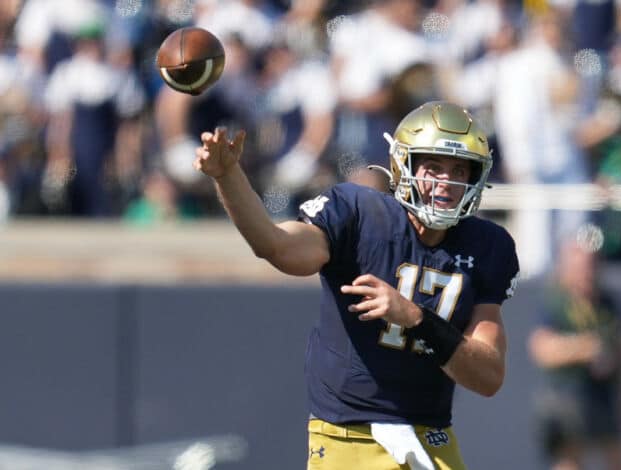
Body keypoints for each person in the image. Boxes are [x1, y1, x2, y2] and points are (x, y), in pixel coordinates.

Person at [193, 101, 520, 470]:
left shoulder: (488, 245)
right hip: (348, 435)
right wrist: (228, 177)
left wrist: (416, 318)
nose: (447, 182)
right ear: (404, 165)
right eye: (434, 167)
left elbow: (488, 376)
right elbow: (276, 246)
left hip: (432, 436)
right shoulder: (360, 213)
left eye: (459, 170)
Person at [527, 240, 621, 470]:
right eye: (581, 266)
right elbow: (541, 349)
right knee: (569, 459)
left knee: (619, 457)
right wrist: (584, 348)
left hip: (601, 395)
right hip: (565, 396)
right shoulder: (556, 301)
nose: (587, 272)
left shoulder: (608, 304)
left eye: (592, 265)